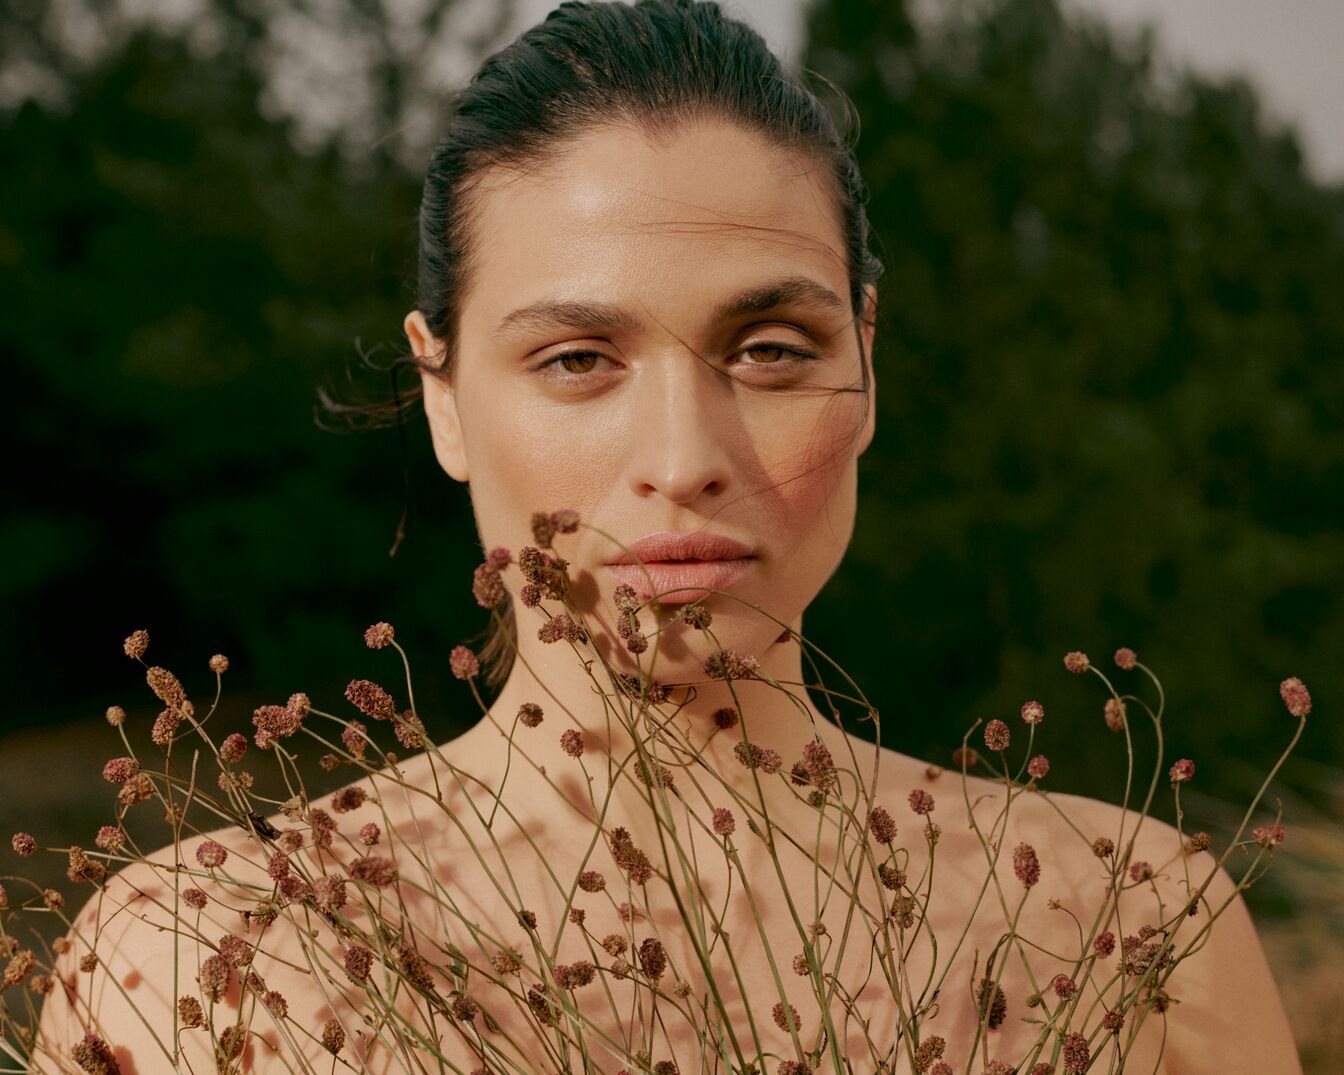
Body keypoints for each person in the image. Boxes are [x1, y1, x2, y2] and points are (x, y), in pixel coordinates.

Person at [35, 2, 1300, 1072]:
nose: (687, 457)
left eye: (769, 350)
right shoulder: (215, 951)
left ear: (869, 360)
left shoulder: (1128, 923)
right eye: (579, 358)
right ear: (443, 395)